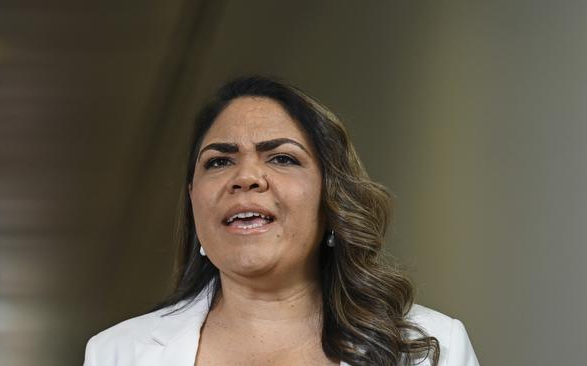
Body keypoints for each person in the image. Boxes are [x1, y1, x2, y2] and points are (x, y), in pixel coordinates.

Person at [83, 76, 479, 366]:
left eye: (282, 158)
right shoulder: (118, 353)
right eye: (219, 161)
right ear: (192, 199)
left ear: (331, 197)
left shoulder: (430, 348)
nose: (246, 177)